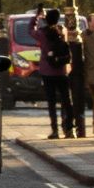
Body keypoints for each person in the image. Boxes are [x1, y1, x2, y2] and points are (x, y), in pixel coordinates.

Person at [35, 8, 76, 139]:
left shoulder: (42, 33)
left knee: (51, 102)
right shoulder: (62, 30)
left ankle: (55, 130)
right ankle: (69, 128)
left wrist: (37, 16)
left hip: (47, 71)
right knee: (66, 100)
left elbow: (30, 29)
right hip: (62, 70)